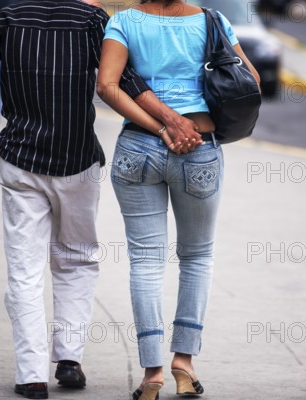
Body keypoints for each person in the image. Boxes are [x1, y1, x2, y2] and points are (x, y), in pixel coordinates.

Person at [0, 0, 201, 398]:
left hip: (21, 161)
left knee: (25, 272)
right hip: (77, 163)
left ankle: (31, 375)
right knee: (77, 260)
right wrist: (168, 123)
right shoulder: (90, 20)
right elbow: (125, 81)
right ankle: (69, 359)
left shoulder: (9, 18)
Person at [97, 0, 260, 398]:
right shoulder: (212, 20)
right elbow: (250, 79)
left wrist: (161, 126)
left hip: (138, 147)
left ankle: (151, 373)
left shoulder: (123, 22)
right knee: (198, 255)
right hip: (199, 146)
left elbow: (107, 85)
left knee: (146, 261)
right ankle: (183, 364)